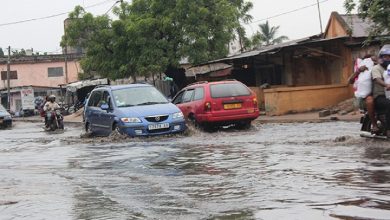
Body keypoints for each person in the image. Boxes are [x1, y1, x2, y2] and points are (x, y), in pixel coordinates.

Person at [348, 55, 378, 133]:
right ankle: (374, 124)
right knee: (370, 101)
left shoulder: (379, 68)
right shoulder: (362, 72)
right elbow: (350, 81)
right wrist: (358, 71)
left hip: (379, 94)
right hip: (365, 97)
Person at [371, 45, 390, 137]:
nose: (388, 58)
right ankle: (388, 130)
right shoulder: (377, 68)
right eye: (386, 56)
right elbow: (377, 79)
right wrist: (386, 85)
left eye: (389, 56)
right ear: (381, 58)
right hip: (380, 96)